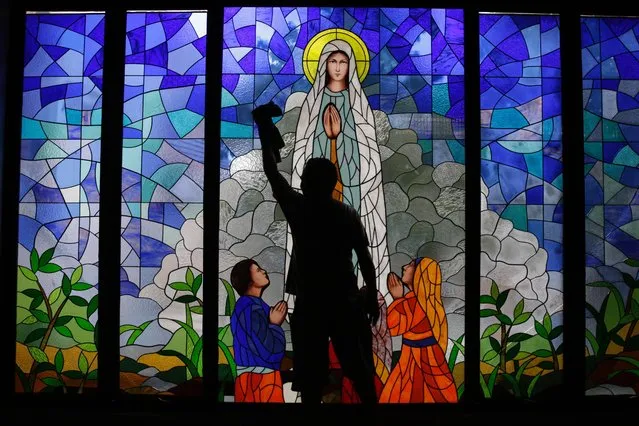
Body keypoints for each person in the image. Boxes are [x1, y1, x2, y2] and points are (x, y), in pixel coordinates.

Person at [252, 101, 379, 405]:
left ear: (306, 184)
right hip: (344, 302)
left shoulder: (299, 208)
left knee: (310, 379)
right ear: (334, 184)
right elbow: (364, 258)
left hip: (311, 305)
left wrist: (263, 128)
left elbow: (271, 172)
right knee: (359, 372)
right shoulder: (346, 214)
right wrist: (371, 294)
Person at [287, 39, 390, 305]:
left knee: (348, 243)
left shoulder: (357, 103)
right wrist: (329, 140)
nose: (337, 67)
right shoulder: (313, 103)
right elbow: (304, 144)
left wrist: (340, 138)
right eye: (332, 61)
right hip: (320, 185)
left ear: (351, 66)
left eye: (343, 62)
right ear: (323, 65)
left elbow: (368, 145)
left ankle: (353, 293)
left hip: (351, 180)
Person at [379, 258, 458, 403]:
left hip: (419, 360)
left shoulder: (415, 304)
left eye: (410, 265)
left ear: (420, 273)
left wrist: (397, 298)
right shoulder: (427, 302)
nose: (404, 266)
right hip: (425, 356)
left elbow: (391, 326)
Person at [230, 259, 287, 403]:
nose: (264, 271)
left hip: (251, 378)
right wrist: (274, 324)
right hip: (261, 380)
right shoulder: (250, 308)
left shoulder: (251, 306)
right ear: (248, 280)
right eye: (257, 270)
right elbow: (270, 351)